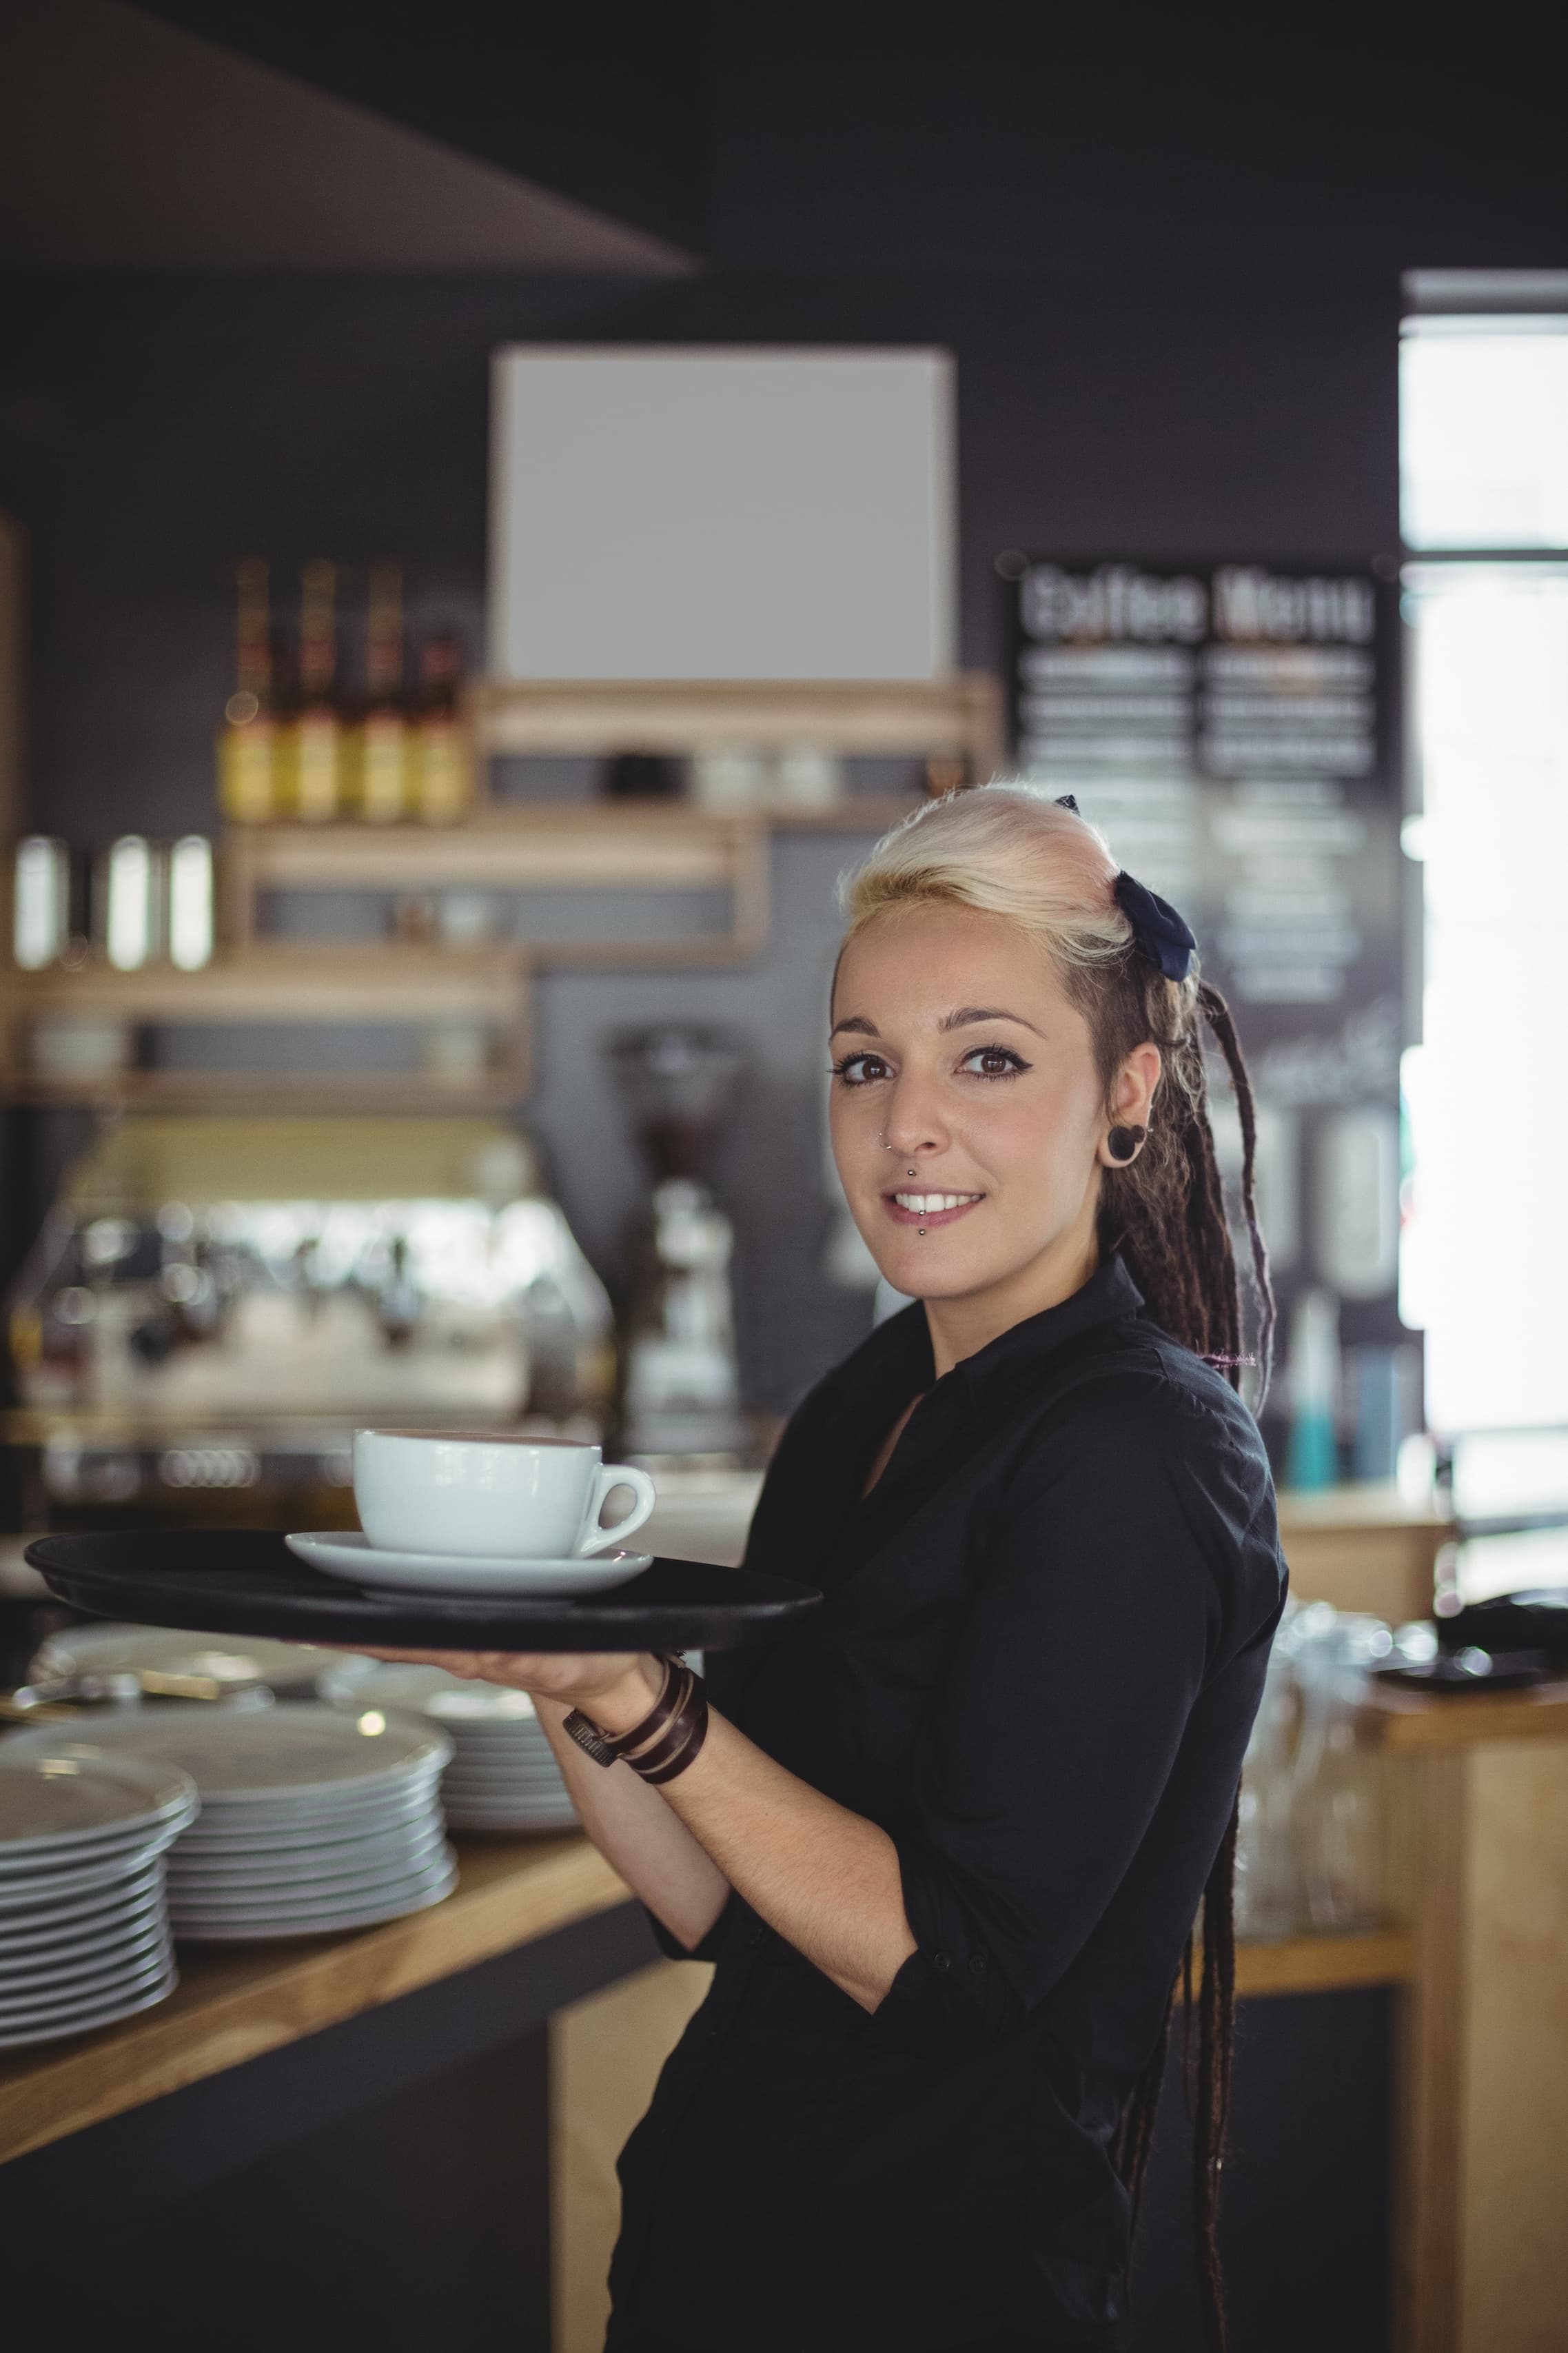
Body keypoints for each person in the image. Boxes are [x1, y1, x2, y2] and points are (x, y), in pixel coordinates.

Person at [367, 785, 1285, 2352]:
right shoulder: (864, 1406)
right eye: (866, 1064)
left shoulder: (1138, 1453)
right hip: (713, 2275)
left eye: (987, 1059)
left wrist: (640, 1695)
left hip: (941, 2303)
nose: (905, 1124)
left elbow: (957, 1972)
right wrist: (550, 1652)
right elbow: (723, 1903)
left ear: (1125, 1096)